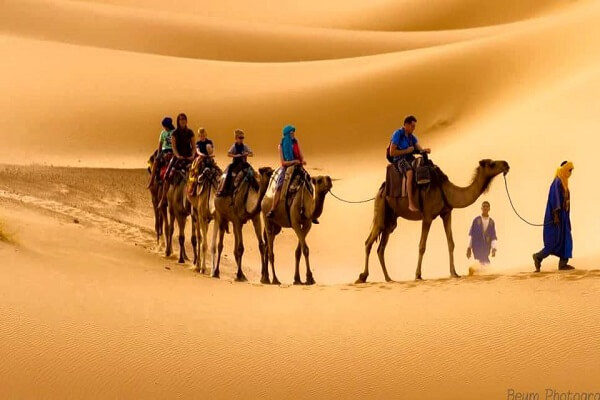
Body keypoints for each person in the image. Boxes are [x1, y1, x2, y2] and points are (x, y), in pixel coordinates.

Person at [532, 161, 575, 272]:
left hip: (564, 217)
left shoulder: (564, 182)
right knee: (553, 241)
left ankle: (563, 264)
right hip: (556, 216)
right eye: (569, 170)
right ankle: (538, 257)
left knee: (566, 239)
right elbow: (554, 199)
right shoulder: (557, 182)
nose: (570, 173)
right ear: (564, 169)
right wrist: (556, 215)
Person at [388, 115, 431, 212]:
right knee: (410, 172)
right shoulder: (398, 134)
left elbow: (418, 147)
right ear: (406, 125)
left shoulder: (412, 137)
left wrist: (424, 150)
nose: (413, 128)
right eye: (412, 126)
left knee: (424, 165)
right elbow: (392, 152)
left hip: (409, 158)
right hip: (399, 160)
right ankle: (410, 203)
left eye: (414, 126)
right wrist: (406, 151)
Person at [266, 125, 307, 219]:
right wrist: (294, 161)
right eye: (291, 133)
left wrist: (302, 160)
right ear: (287, 134)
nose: (293, 134)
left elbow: (301, 155)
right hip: (286, 168)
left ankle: (310, 209)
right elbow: (283, 162)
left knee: (307, 182)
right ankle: (273, 209)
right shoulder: (280, 146)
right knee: (279, 185)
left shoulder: (296, 142)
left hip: (297, 166)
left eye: (293, 132)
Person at [158, 113, 195, 208]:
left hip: (189, 157)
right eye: (180, 119)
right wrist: (178, 156)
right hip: (177, 157)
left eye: (184, 119)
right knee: (167, 174)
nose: (182, 121)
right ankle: (163, 199)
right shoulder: (175, 133)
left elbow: (194, 147)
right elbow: (174, 147)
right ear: (178, 121)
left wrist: (192, 155)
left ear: (186, 121)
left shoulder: (190, 132)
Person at [216, 129, 253, 196]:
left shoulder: (245, 146)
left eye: (243, 138)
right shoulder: (234, 146)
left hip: (244, 163)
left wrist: (246, 154)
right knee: (229, 171)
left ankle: (256, 187)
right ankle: (224, 188)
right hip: (236, 163)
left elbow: (251, 154)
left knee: (252, 172)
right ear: (236, 138)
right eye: (240, 138)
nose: (242, 139)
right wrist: (236, 155)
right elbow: (228, 154)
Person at [147, 117, 175, 188]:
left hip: (172, 150)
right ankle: (152, 180)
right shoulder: (163, 133)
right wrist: (159, 154)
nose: (164, 127)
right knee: (156, 161)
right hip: (164, 150)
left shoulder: (174, 132)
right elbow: (160, 144)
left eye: (165, 126)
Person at [467, 201, 498, 265]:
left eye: (487, 206)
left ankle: (483, 272)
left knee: (484, 261)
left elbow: (493, 237)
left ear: (489, 209)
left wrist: (494, 248)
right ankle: (482, 272)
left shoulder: (491, 222)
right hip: (477, 246)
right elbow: (471, 235)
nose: (485, 208)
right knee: (481, 261)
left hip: (486, 247)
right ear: (481, 208)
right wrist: (469, 248)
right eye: (484, 206)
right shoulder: (476, 220)